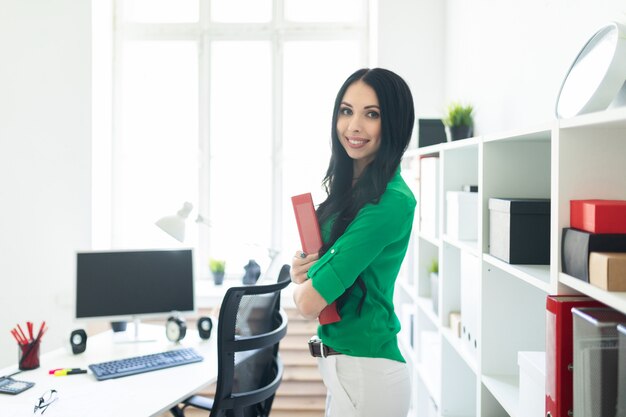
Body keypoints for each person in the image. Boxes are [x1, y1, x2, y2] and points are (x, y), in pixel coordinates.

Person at [290, 67, 416, 417]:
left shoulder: (390, 201)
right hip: (345, 372)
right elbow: (313, 280)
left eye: (371, 114)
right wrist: (302, 271)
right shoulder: (353, 192)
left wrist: (305, 284)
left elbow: (308, 301)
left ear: (394, 124)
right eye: (346, 111)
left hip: (368, 375)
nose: (353, 126)